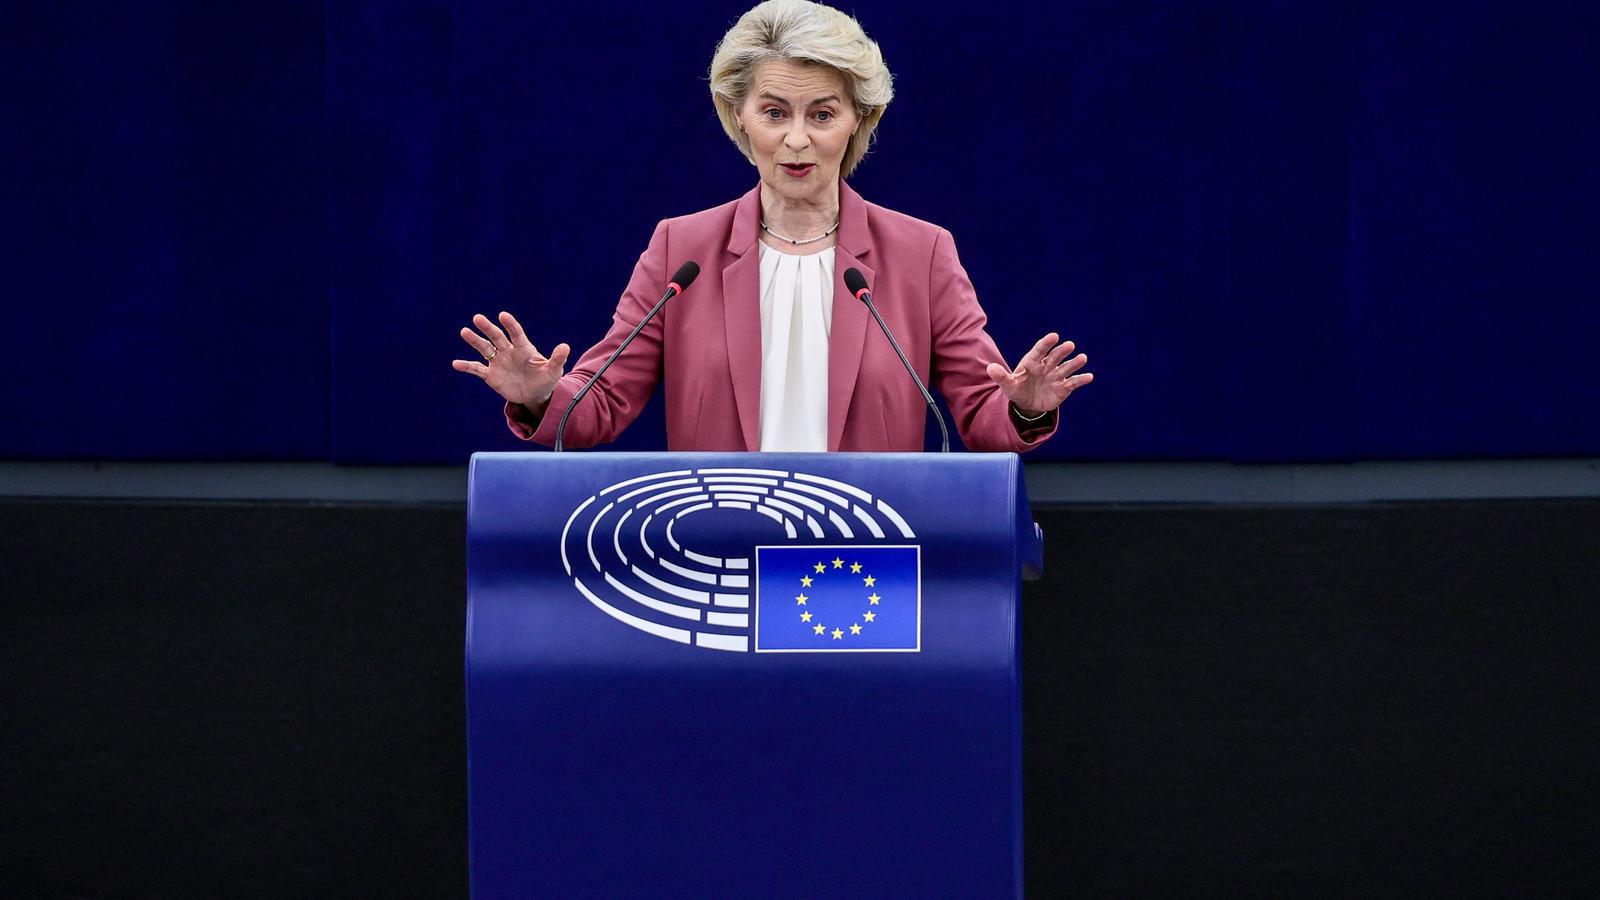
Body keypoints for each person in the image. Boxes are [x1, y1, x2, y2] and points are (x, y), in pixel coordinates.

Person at [452, 0, 1092, 452]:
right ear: (740, 117)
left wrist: (1025, 406)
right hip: (715, 556)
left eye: (821, 114)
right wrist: (540, 397)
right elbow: (603, 404)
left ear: (857, 121)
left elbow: (981, 415)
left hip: (866, 562)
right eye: (775, 111)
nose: (796, 139)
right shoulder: (684, 249)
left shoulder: (919, 253)